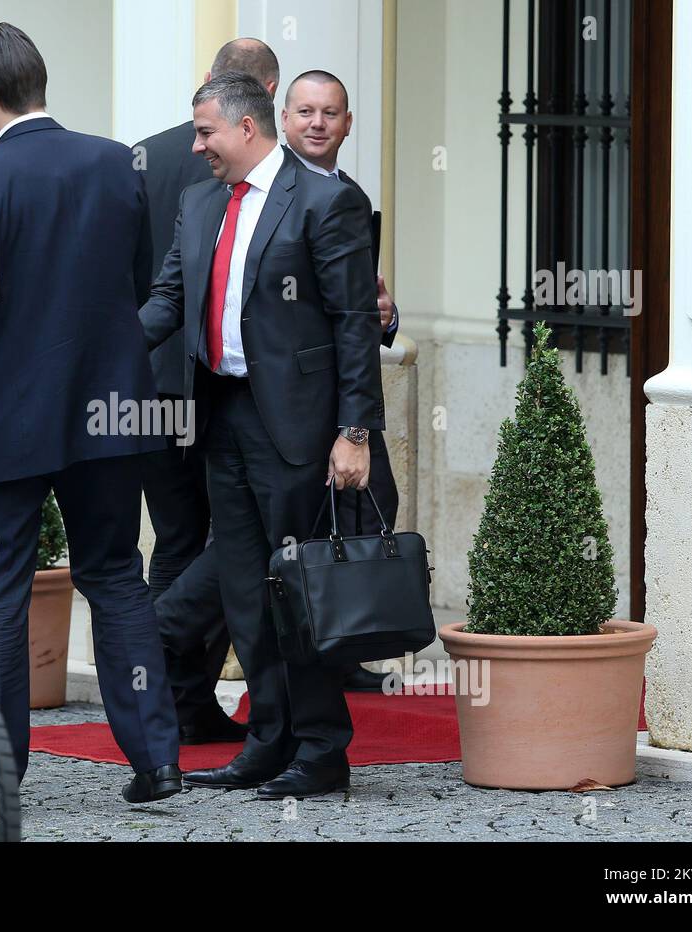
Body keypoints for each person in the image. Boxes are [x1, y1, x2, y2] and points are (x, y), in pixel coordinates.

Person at [0, 22, 181, 803]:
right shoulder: (113, 161)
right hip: (110, 415)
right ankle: (158, 760)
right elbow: (135, 283)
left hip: (9, 428)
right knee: (118, 578)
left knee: (0, 592)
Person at [139, 72, 385, 799]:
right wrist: (102, 355)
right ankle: (267, 740)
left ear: (247, 128)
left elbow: (354, 325)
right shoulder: (198, 200)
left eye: (206, 131)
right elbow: (168, 301)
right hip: (223, 417)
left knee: (296, 590)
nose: (197, 145)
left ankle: (321, 749)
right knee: (246, 592)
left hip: (300, 429)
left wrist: (354, 431)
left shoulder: (325, 200)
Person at [133, 37, 281, 746]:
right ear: (266, 96)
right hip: (204, 388)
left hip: (163, 386)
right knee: (233, 547)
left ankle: (176, 698)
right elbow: (164, 286)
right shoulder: (203, 175)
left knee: (180, 542)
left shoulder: (140, 157)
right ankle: (177, 681)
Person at [281, 69, 404, 692]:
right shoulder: (273, 193)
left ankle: (346, 645)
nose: (317, 123)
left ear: (348, 123)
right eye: (305, 111)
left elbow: (358, 305)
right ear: (284, 119)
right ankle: (305, 654)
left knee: (367, 507)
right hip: (291, 400)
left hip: (347, 389)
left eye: (330, 113)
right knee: (300, 528)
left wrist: (386, 316)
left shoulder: (350, 195)